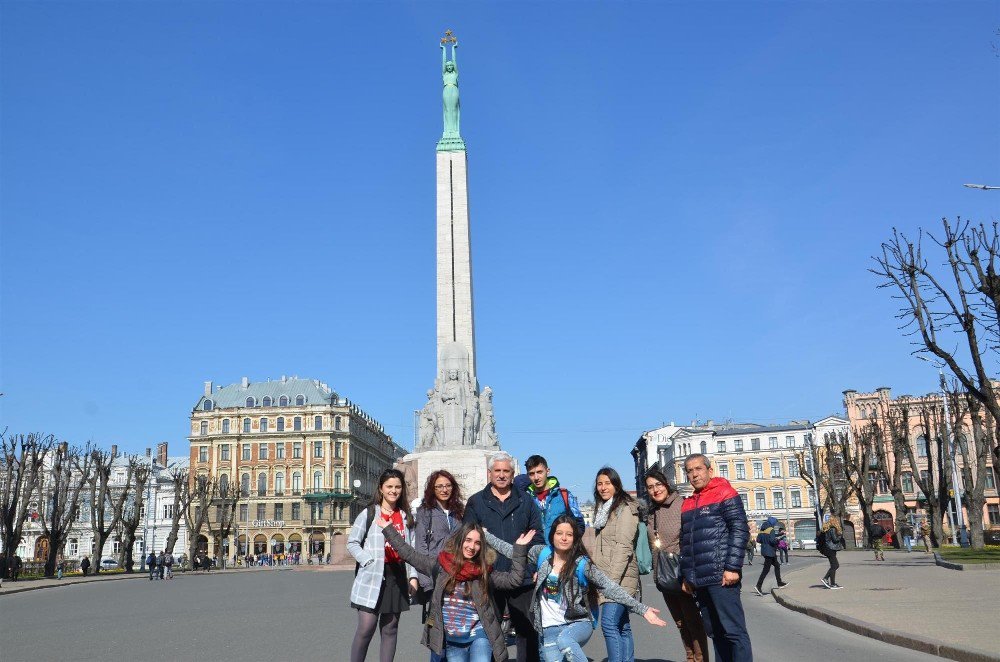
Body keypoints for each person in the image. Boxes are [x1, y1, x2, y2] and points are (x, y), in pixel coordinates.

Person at [486, 514, 667, 661]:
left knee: (565, 640)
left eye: (569, 534)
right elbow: (510, 551)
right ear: (552, 535)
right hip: (548, 628)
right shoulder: (541, 554)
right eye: (559, 533)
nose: (564, 538)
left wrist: (642, 609)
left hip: (578, 623)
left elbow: (610, 587)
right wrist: (485, 535)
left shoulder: (582, 564)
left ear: (574, 538)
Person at [380, 515, 535, 662]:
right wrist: (389, 529)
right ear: (460, 541)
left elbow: (514, 580)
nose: (471, 546)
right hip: (452, 639)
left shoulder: (485, 572)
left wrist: (519, 550)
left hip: (480, 635)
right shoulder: (440, 565)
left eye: (477, 542)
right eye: (468, 540)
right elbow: (410, 555)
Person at [465, 451, 544, 662]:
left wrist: (534, 567)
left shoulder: (526, 501)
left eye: (506, 471)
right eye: (497, 471)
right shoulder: (476, 502)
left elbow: (537, 537)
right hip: (488, 577)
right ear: (489, 473)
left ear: (512, 474)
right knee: (488, 633)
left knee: (527, 633)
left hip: (522, 577)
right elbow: (467, 540)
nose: (501, 475)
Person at [679, 454, 752, 662]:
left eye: (698, 469)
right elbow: (687, 542)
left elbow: (740, 530)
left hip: (722, 577)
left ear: (710, 471)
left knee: (734, 632)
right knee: (715, 633)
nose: (694, 474)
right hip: (700, 580)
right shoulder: (689, 503)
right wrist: (687, 576)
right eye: (689, 471)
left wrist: (732, 567)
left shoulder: (725, 493)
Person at [347, 468, 418, 662]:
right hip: (372, 575)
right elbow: (353, 542)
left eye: (397, 487)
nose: (393, 491)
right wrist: (367, 560)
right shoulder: (369, 513)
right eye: (389, 487)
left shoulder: (405, 517)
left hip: (397, 576)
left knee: (390, 628)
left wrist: (413, 577)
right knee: (366, 628)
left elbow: (411, 550)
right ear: (381, 488)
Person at [645, 468, 708, 662]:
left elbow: (691, 542)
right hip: (664, 577)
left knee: (694, 622)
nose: (655, 490)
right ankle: (690, 658)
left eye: (658, 485)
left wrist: (689, 576)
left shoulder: (682, 505)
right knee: (680, 623)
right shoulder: (651, 512)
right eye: (650, 487)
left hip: (683, 575)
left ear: (666, 484)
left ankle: (700, 659)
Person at [415, 470, 465, 662]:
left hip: (457, 576)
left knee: (455, 625)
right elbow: (421, 546)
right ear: (432, 489)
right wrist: (426, 582)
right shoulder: (425, 511)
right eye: (439, 486)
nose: (444, 490)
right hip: (436, 576)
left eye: (448, 485)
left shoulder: (459, 510)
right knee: (437, 629)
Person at [591, 467, 641, 662]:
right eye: (599, 483)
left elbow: (623, 546)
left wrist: (610, 582)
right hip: (609, 577)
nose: (603, 487)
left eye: (607, 483)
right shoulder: (604, 510)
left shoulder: (625, 508)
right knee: (622, 625)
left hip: (620, 578)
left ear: (616, 485)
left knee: (609, 623)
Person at [524, 455, 586, 539]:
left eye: (539, 472)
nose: (536, 477)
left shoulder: (564, 495)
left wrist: (569, 545)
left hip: (562, 550)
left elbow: (579, 524)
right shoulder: (525, 498)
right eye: (531, 474)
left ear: (547, 471)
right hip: (537, 550)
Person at [753, 517, 788, 596]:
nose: (775, 524)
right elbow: (772, 540)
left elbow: (758, 540)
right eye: (775, 523)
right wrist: (778, 540)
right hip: (770, 551)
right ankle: (758, 586)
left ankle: (779, 583)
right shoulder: (771, 529)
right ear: (772, 522)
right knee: (766, 569)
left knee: (777, 565)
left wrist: (778, 534)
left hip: (764, 551)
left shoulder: (762, 529)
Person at [820, 518, 845, 589]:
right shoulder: (832, 529)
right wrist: (840, 535)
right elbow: (835, 539)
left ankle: (832, 583)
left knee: (834, 565)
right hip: (830, 549)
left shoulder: (827, 529)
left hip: (828, 549)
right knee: (835, 565)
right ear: (834, 522)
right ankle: (827, 580)